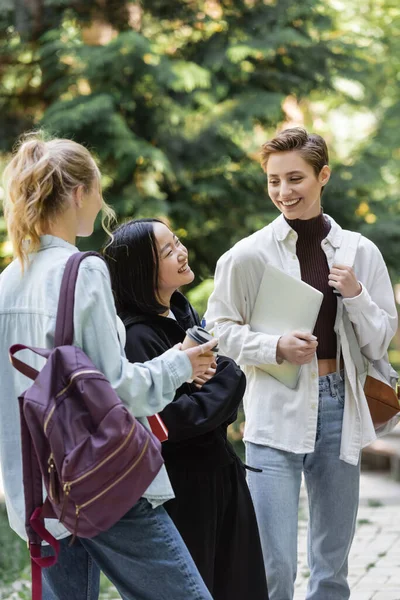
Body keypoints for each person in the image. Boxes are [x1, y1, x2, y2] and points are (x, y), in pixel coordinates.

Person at [0, 132, 218, 600]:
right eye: (97, 191)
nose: (101, 204)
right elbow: (119, 388)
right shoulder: (83, 270)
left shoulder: (7, 282)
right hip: (103, 482)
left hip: (38, 494)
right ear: (78, 193)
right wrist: (180, 363)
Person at [204, 127, 398, 600]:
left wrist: (354, 295)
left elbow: (380, 341)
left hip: (340, 408)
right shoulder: (247, 256)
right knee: (274, 564)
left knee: (332, 565)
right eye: (274, 181)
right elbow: (218, 331)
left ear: (322, 175)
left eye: (295, 179)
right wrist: (274, 348)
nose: (283, 192)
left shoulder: (359, 252)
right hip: (274, 409)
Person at [104, 218, 269, 600]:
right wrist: (228, 377)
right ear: (142, 271)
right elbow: (168, 421)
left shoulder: (183, 316)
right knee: (201, 586)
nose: (181, 252)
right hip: (185, 488)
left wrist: (219, 383)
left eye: (177, 241)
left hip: (222, 474)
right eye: (167, 251)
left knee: (241, 585)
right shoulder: (137, 337)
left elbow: (214, 408)